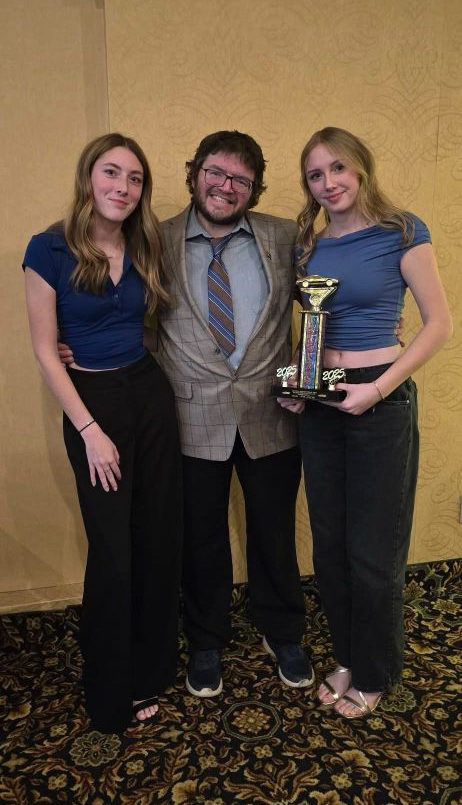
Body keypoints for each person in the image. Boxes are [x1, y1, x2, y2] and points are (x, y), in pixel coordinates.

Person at [281, 126, 452, 719]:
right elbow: (314, 325)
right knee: (330, 548)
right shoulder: (309, 245)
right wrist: (302, 384)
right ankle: (348, 655)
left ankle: (376, 672)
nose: (328, 183)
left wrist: (377, 388)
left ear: (360, 168)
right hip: (323, 403)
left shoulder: (402, 231)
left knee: (373, 551)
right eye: (315, 175)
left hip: (381, 399)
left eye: (337, 168)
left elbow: (438, 324)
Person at [23, 133, 182, 734]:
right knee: (114, 550)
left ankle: (150, 669)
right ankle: (111, 688)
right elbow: (45, 351)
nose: (123, 186)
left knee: (156, 537)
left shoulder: (144, 242)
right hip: (92, 406)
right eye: (112, 172)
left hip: (148, 395)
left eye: (135, 178)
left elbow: (147, 325)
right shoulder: (48, 249)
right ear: (89, 177)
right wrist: (89, 429)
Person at [154, 130, 313, 697]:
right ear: (195, 173)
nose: (226, 186)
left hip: (273, 412)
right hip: (191, 418)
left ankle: (283, 630)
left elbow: (325, 306)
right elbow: (130, 316)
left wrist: (371, 331)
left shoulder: (284, 235)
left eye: (241, 179)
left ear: (255, 188)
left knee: (274, 531)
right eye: (216, 173)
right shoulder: (156, 239)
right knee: (200, 537)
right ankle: (205, 640)